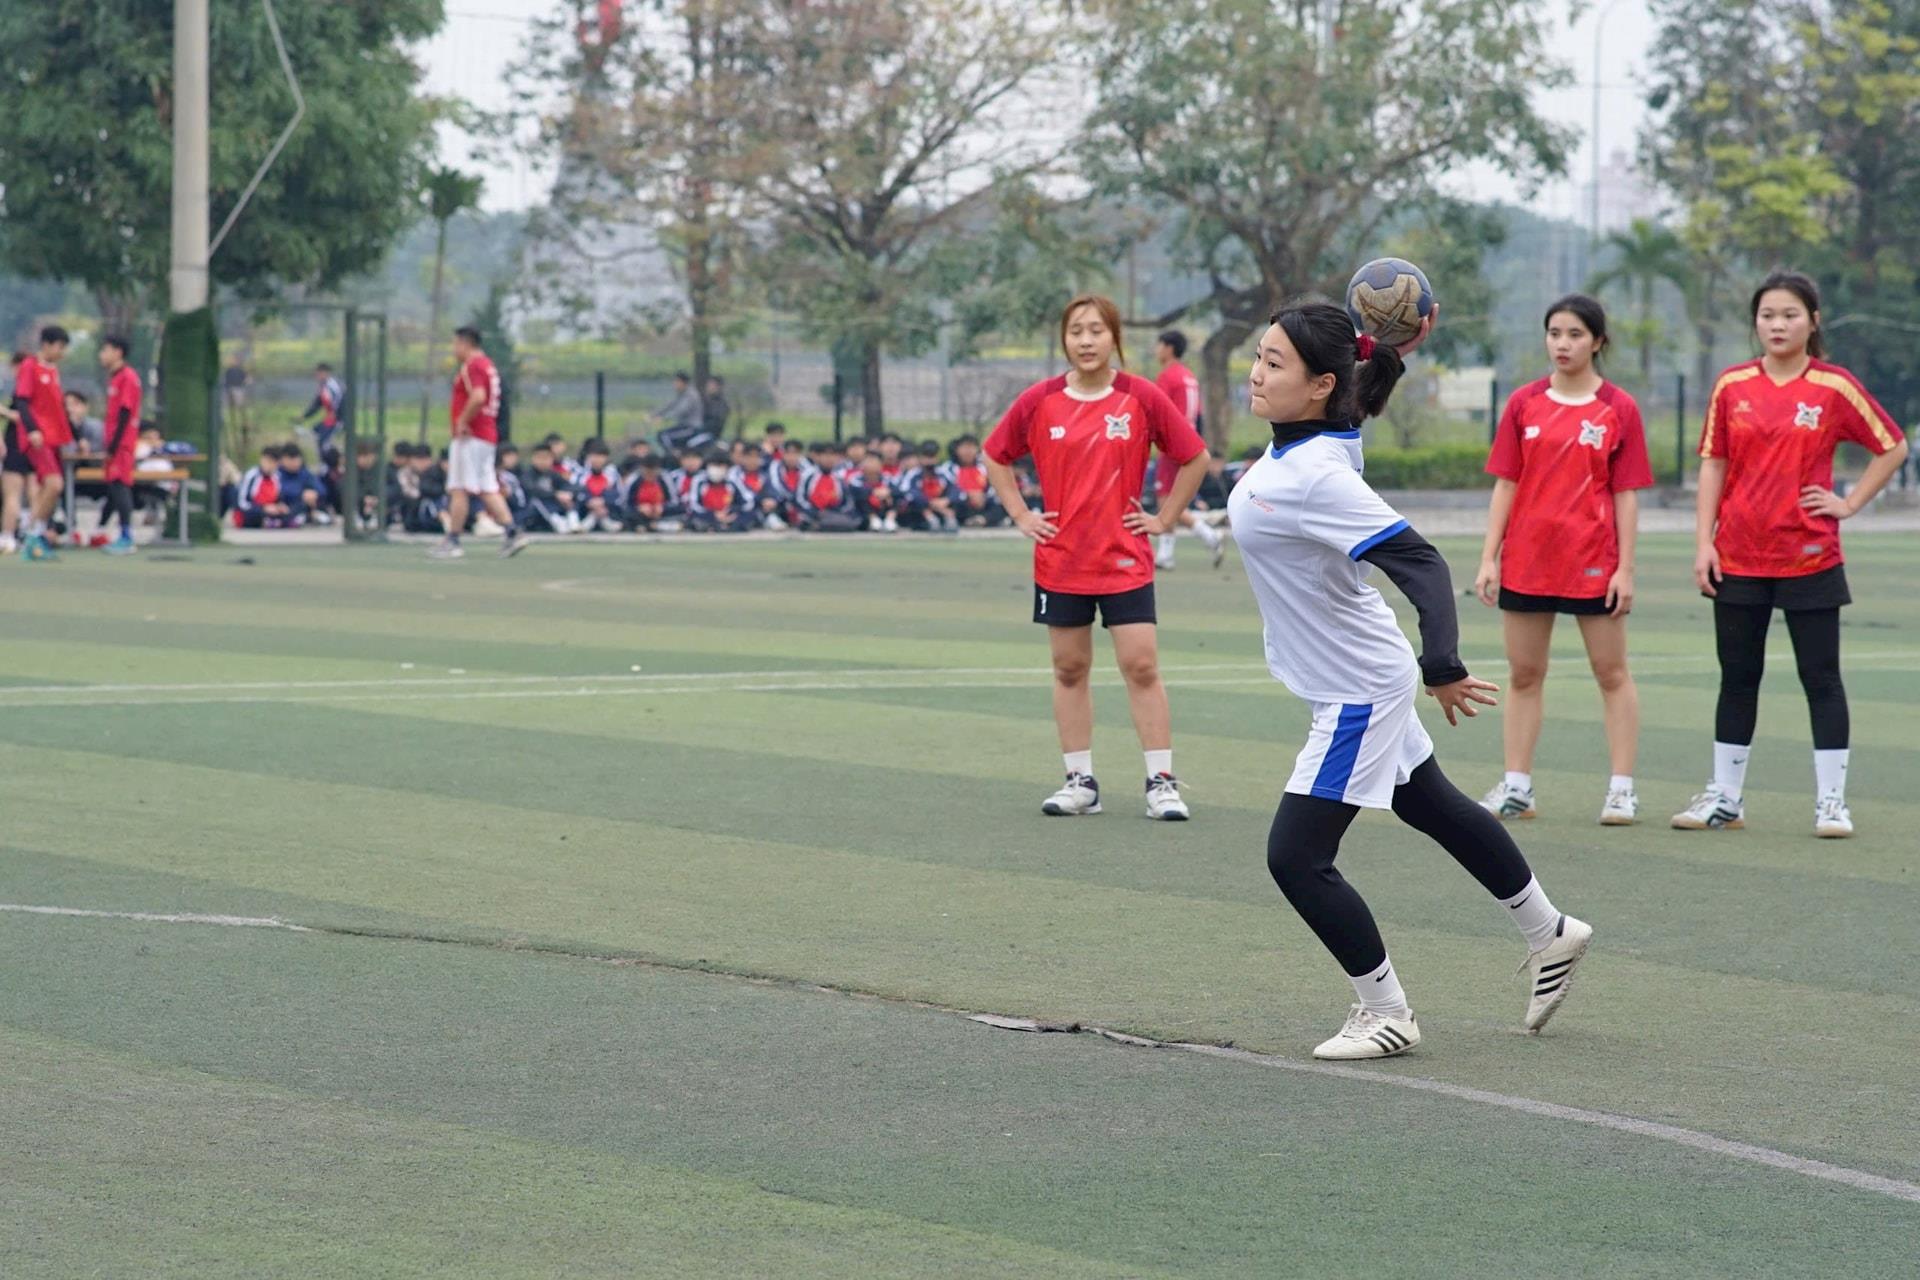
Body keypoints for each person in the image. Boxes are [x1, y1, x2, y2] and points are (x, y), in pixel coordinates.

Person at [1226, 296, 1591, 1061]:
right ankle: (1549, 930)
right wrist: (1381, 350)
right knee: (1429, 803)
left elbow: (1420, 561)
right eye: (1259, 356)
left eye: (1274, 363)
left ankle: (1385, 1011)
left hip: (1361, 687)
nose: (1255, 373)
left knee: (1295, 857)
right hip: (1349, 677)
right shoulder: (1317, 441)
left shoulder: (1321, 474)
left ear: (1322, 384)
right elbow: (1355, 403)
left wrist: (1442, 663)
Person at [1678, 270, 1910, 838]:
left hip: (1810, 557)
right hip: (1736, 557)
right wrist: (1704, 540)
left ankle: (1832, 803)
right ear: (1755, 323)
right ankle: (1725, 799)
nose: (1778, 325)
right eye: (1767, 315)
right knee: (1738, 677)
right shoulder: (1732, 385)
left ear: (1813, 321)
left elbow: (1892, 445)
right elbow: (1714, 463)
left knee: (1821, 678)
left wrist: (1849, 502)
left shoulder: (1834, 386)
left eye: (1790, 315)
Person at [983, 293, 1212, 821]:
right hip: (1060, 560)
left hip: (1124, 558)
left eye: (1096, 331)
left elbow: (1193, 456)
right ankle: (1079, 782)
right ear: (1064, 339)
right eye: (1075, 331)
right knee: (1069, 668)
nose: (1085, 341)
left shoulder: (1141, 396)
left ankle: (1161, 782)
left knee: (1141, 664)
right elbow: (995, 455)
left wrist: (1164, 518)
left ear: (1114, 338)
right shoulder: (1040, 400)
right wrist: (1022, 515)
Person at [1474, 295, 1653, 826]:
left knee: (1611, 672)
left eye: (1575, 334)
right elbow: (1506, 484)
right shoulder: (1524, 404)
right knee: (1525, 673)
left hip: (1594, 563)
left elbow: (1627, 494)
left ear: (1597, 341)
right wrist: (1490, 557)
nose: (1562, 344)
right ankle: (1517, 786)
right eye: (1554, 333)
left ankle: (1621, 789)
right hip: (1529, 560)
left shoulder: (1618, 408)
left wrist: (1626, 568)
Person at [431, 327, 529, 560]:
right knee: (486, 487)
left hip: (471, 436)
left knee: (458, 488)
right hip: (486, 435)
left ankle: (453, 540)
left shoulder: (473, 366)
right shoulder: (488, 365)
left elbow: (478, 397)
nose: (454, 350)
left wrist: (462, 421)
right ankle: (512, 531)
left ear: (465, 344)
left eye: (456, 345)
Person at [1151, 329, 1227, 569]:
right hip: (1189, 441)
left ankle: (1209, 535)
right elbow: (1199, 414)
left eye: (1159, 345)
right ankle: (1166, 555)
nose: (1157, 350)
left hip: (1174, 443)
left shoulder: (1168, 376)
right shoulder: (1188, 376)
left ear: (1169, 348)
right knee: (1171, 500)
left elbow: (1159, 411)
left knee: (1166, 501)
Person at [8, 326, 75, 559]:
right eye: (60, 346)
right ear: (46, 344)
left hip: (54, 438)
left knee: (50, 488)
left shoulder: (53, 370)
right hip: (38, 437)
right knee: (54, 484)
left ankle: (35, 533)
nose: (62, 352)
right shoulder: (30, 366)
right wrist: (32, 429)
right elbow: (22, 401)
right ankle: (31, 532)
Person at [98, 336, 142, 554]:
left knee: (120, 485)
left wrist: (114, 446)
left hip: (122, 444)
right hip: (115, 443)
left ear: (118, 352)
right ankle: (106, 530)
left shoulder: (127, 377)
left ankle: (127, 537)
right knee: (115, 487)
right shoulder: (114, 378)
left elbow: (125, 413)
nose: (101, 355)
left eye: (105, 350)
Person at [685, 448, 751, 532]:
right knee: (694, 519)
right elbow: (694, 505)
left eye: (720, 465)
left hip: (730, 515)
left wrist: (731, 512)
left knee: (749, 516)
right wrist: (713, 515)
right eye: (713, 465)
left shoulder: (733, 481)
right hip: (706, 516)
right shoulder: (699, 481)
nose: (716, 469)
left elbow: (747, 502)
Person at [899, 439, 958, 531]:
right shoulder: (913, 474)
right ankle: (931, 520)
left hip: (942, 506)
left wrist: (946, 500)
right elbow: (907, 492)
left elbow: (956, 490)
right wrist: (929, 502)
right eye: (926, 457)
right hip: (921, 510)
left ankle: (949, 520)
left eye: (932, 457)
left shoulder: (944, 473)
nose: (929, 461)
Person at [297, 363, 346, 464]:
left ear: (326, 373)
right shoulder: (323, 386)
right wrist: (305, 416)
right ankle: (325, 462)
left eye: (319, 373)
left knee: (324, 442)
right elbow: (317, 403)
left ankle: (332, 463)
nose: (317, 376)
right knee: (316, 433)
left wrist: (339, 416)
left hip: (337, 420)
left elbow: (343, 402)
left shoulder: (333, 386)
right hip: (330, 419)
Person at [573, 437, 626, 532]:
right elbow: (577, 491)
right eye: (594, 456)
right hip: (586, 508)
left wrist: (603, 501)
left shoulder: (612, 472)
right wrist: (589, 501)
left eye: (601, 456)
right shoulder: (580, 472)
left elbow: (618, 493)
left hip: (606, 509)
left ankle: (594, 523)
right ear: (588, 456)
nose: (597, 460)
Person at [233, 445, 291, 528]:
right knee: (253, 515)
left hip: (270, 511)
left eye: (273, 463)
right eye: (267, 461)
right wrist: (263, 508)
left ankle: (274, 522)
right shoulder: (251, 476)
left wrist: (280, 506)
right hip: (251, 511)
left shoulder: (277, 477)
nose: (269, 465)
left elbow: (278, 498)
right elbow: (242, 503)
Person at [654, 372, 708, 452]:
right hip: (683, 426)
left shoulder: (691, 395)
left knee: (664, 436)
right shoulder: (681, 394)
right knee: (663, 435)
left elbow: (681, 410)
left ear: (683, 382)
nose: (674, 384)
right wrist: (655, 414)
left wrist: (663, 418)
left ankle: (673, 456)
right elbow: (669, 405)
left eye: (677, 381)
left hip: (691, 428)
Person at [222, 353, 253, 436]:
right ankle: (233, 421)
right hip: (229, 390)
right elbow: (225, 380)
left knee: (240, 407)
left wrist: (246, 383)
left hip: (238, 390)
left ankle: (243, 422)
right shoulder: (229, 371)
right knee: (230, 407)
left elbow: (248, 380)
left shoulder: (241, 371)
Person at [703, 374, 731, 440]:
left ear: (718, 387)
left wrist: (702, 428)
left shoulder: (722, 403)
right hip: (704, 433)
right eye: (708, 385)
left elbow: (716, 423)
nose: (709, 387)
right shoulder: (708, 400)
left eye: (712, 385)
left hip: (712, 436)